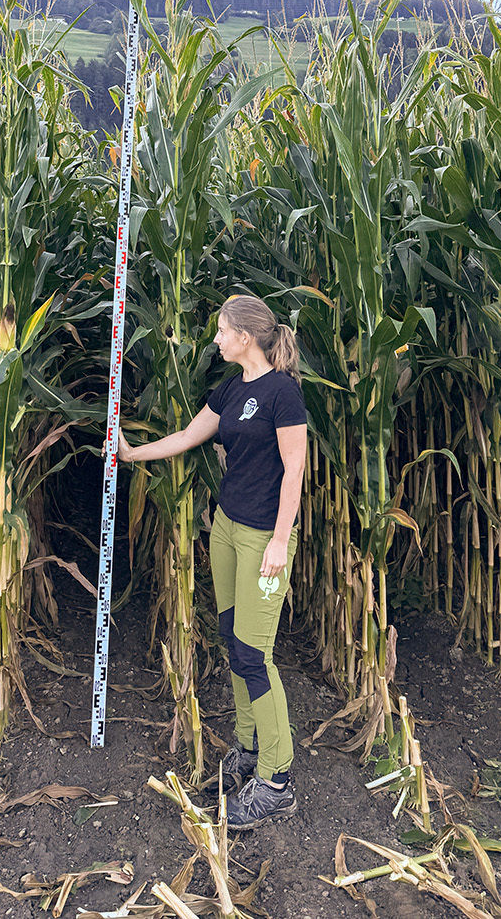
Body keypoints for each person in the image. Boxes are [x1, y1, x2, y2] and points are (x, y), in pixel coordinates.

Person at [117, 294, 307, 829]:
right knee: (232, 640)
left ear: (246, 337)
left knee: (254, 653)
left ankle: (277, 780)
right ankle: (248, 749)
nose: (217, 339)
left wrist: (279, 540)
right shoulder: (231, 388)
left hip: (264, 539)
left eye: (223, 331)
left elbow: (294, 471)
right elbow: (186, 437)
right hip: (225, 529)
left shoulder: (283, 395)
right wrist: (133, 454)